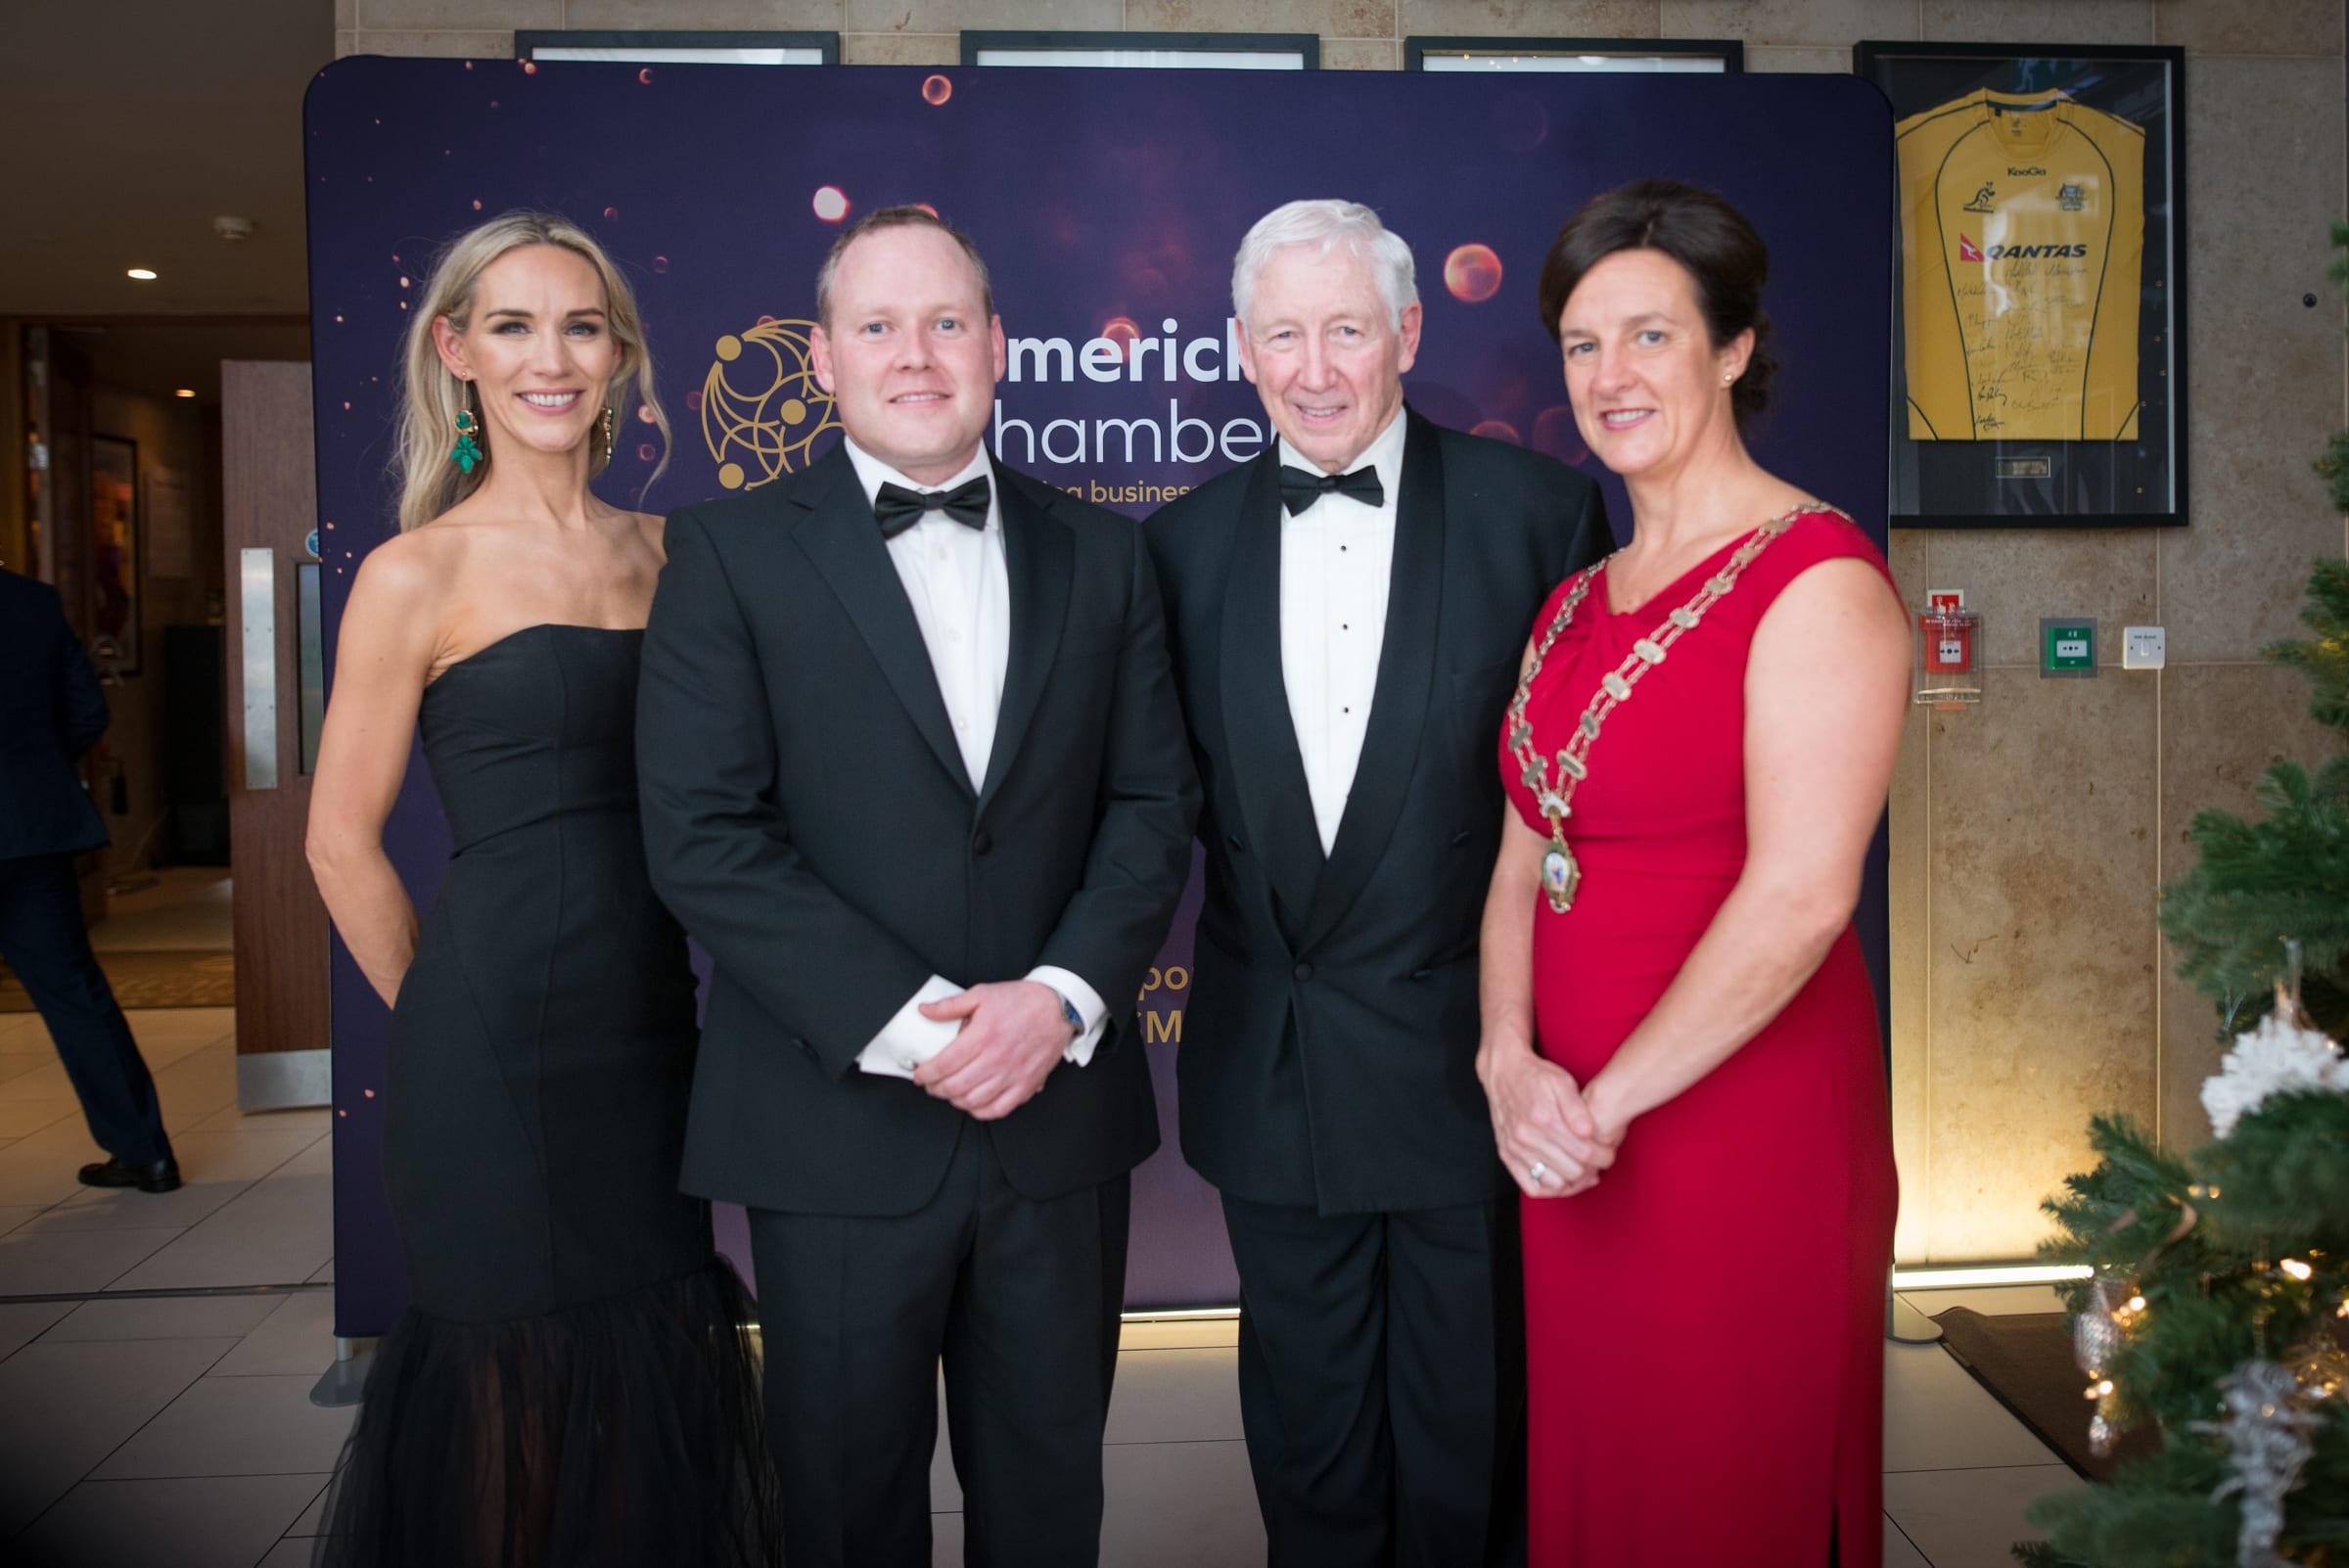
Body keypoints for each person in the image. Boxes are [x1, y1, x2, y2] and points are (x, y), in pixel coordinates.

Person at [636, 205, 1199, 1568]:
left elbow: (1153, 803)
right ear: (823, 359)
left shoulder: (1109, 554)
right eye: (878, 325)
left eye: (946, 321)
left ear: (999, 345)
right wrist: (918, 1023)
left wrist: (1057, 1000)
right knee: (839, 1503)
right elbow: (706, 835)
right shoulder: (726, 553)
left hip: (1055, 1124)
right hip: (835, 1124)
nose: (916, 354)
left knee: (1050, 1496)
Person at [304, 211, 780, 1568]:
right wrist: (447, 1018)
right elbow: (339, 841)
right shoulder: (416, 572)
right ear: (456, 353)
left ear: (621, 354)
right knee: (509, 1423)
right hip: (487, 1053)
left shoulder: (679, 554)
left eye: (580, 324)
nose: (549, 357)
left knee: (646, 1396)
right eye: (511, 326)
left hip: (652, 1046)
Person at [1144, 200, 1607, 1567]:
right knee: (1310, 1438)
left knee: (1475, 1427)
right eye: (1282, 333)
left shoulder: (1540, 515)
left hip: (1478, 1062)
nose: (1316, 365)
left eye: (1347, 327)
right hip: (1274, 1067)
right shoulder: (1176, 547)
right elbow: (1142, 806)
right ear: (1240, 349)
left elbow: (1585, 811)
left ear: (1408, 331)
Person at [1477, 179, 1910, 1567]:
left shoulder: (1818, 579)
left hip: (1736, 1121)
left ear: (1733, 348)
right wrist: (1506, 1064)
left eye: (1650, 335)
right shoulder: (1572, 598)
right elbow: (1516, 855)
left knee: (1727, 1469)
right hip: (1573, 1138)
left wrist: (1599, 1103)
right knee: (1610, 1466)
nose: (1611, 376)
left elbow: (1801, 897)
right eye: (1583, 344)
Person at [0, 566, 178, 1193]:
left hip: (31, 822)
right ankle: (146, 1152)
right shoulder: (31, 601)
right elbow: (86, 711)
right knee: (76, 994)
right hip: (34, 827)